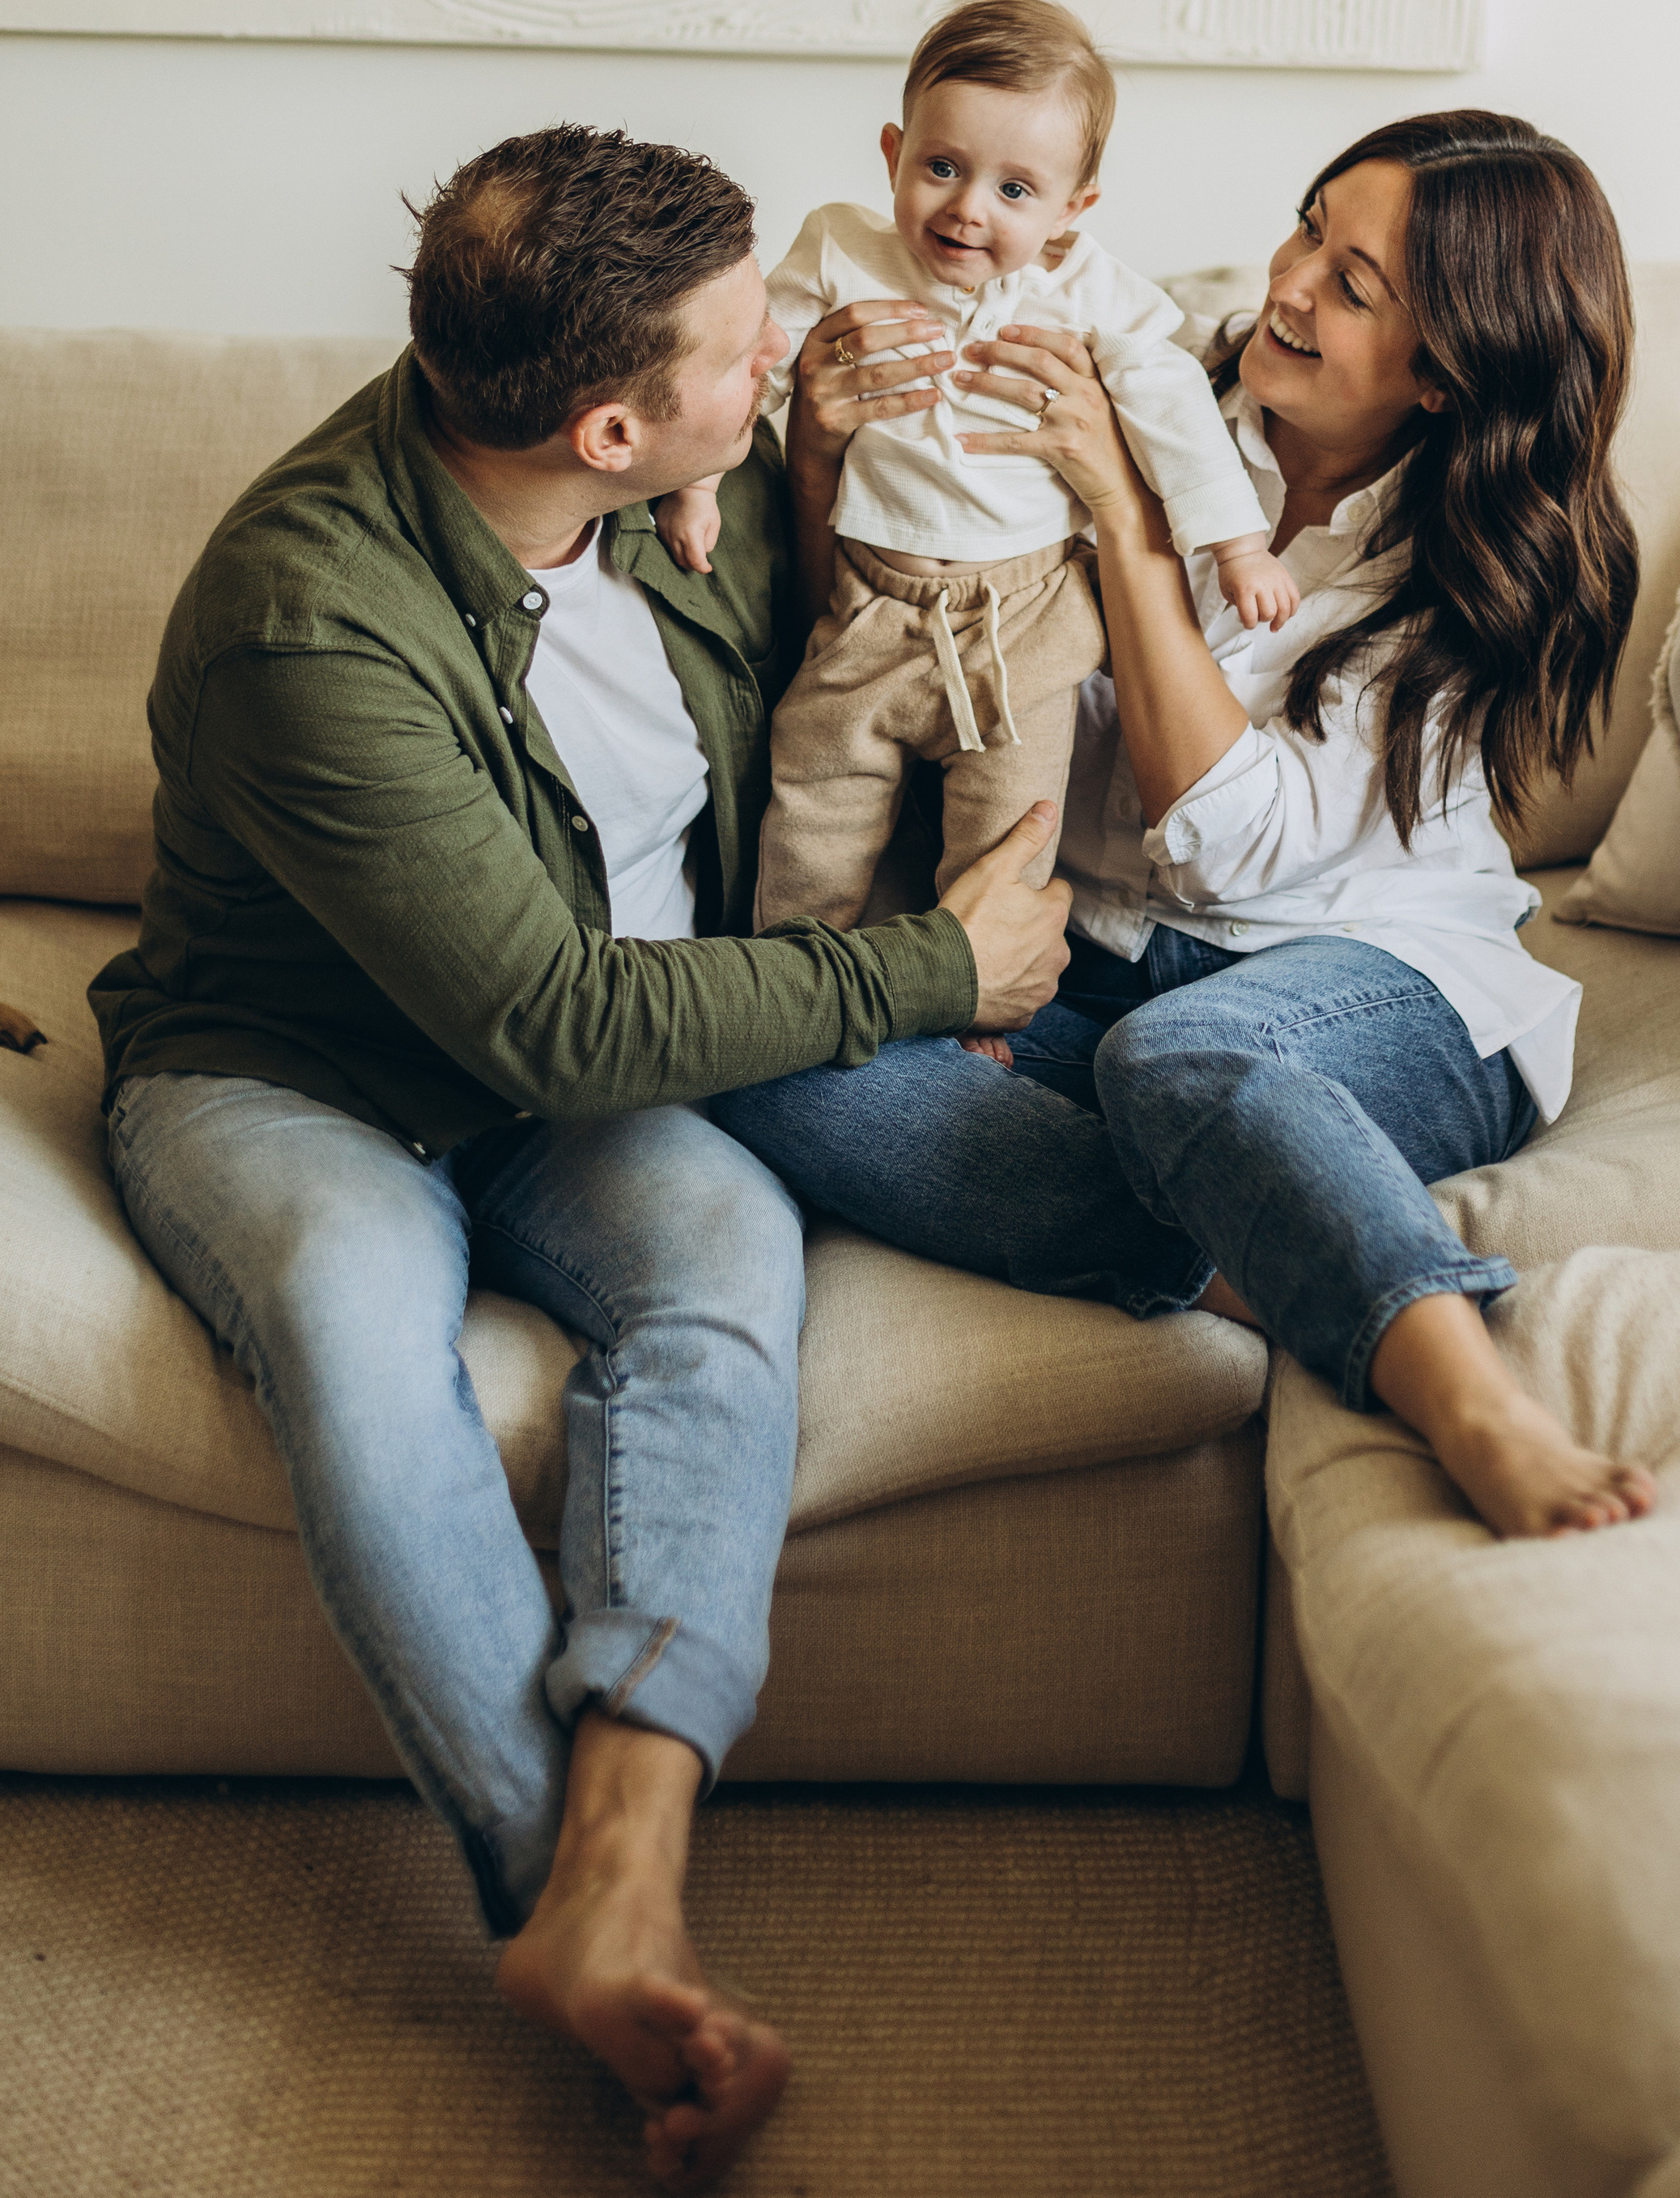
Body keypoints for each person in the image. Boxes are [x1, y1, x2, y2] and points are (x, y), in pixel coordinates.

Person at [87, 125, 1084, 2187]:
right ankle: (576, 1902)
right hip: (296, 1077)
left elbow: (909, 622)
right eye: (739, 352)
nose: (783, 347)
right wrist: (935, 964)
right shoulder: (310, 619)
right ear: (601, 412)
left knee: (722, 1264)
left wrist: (753, 471)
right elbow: (545, 1014)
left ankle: (631, 1838)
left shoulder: (632, 489)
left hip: (582, 1078)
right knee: (356, 1319)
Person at [713, 112, 1661, 1540]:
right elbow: (880, 638)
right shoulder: (1145, 372)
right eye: (1309, 228)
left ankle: (1462, 1387)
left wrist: (1121, 514)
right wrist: (817, 451)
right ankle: (1249, 1246)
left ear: (1453, 374)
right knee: (751, 1046)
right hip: (1095, 954)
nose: (1288, 285)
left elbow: (1227, 839)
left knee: (1188, 1050)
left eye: (1354, 286)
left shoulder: (1490, 559)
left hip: (1382, 976)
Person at [652, 0, 1299, 929]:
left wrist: (1235, 544)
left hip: (1024, 618)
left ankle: (983, 986)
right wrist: (700, 481)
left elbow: (1172, 405)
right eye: (942, 168)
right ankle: (795, 973)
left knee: (1007, 827)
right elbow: (756, 362)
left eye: (1014, 190)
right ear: (893, 155)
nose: (964, 209)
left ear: (1073, 209)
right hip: (869, 603)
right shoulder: (841, 249)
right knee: (815, 797)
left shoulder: (1086, 293)